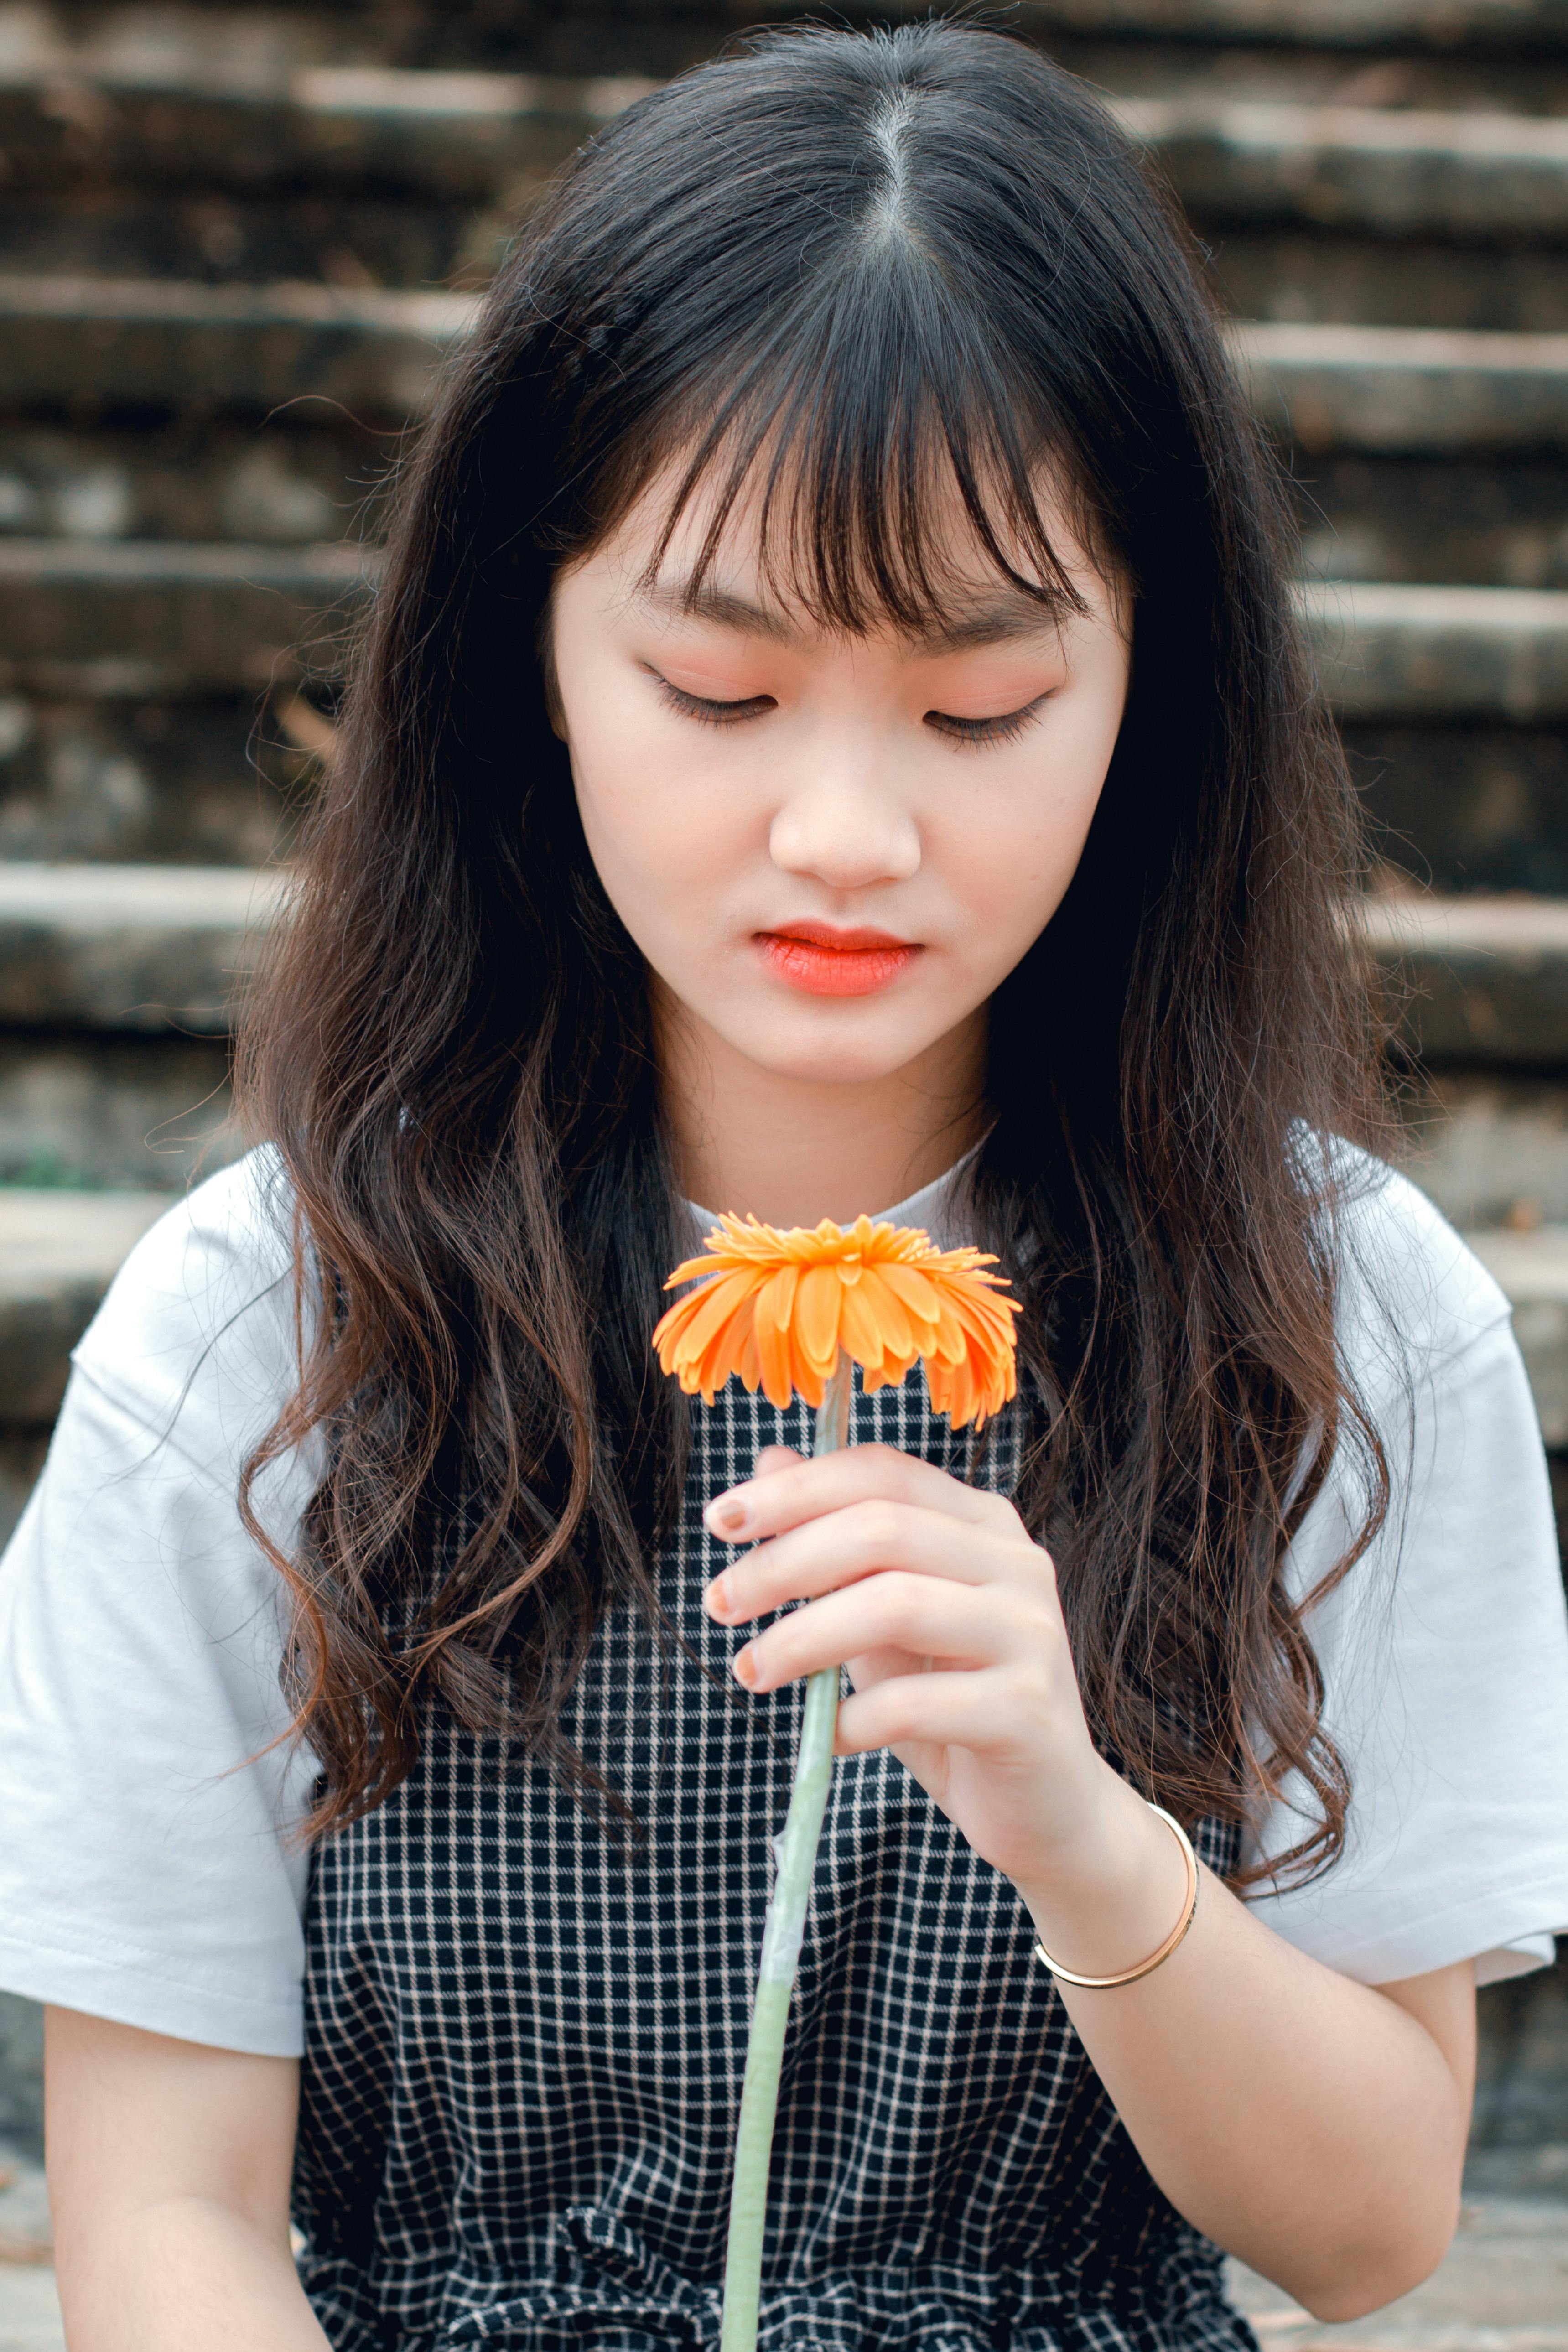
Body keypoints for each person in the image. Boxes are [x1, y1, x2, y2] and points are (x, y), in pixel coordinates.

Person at [2, 21, 1567, 2350]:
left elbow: (1363, 2232)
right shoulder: (272, 1323)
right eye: (718, 695)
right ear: (529, 651)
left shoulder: (1328, 1313)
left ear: (1151, 690)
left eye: (975, 710)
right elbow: (164, 2223)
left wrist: (1073, 1824)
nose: (844, 833)